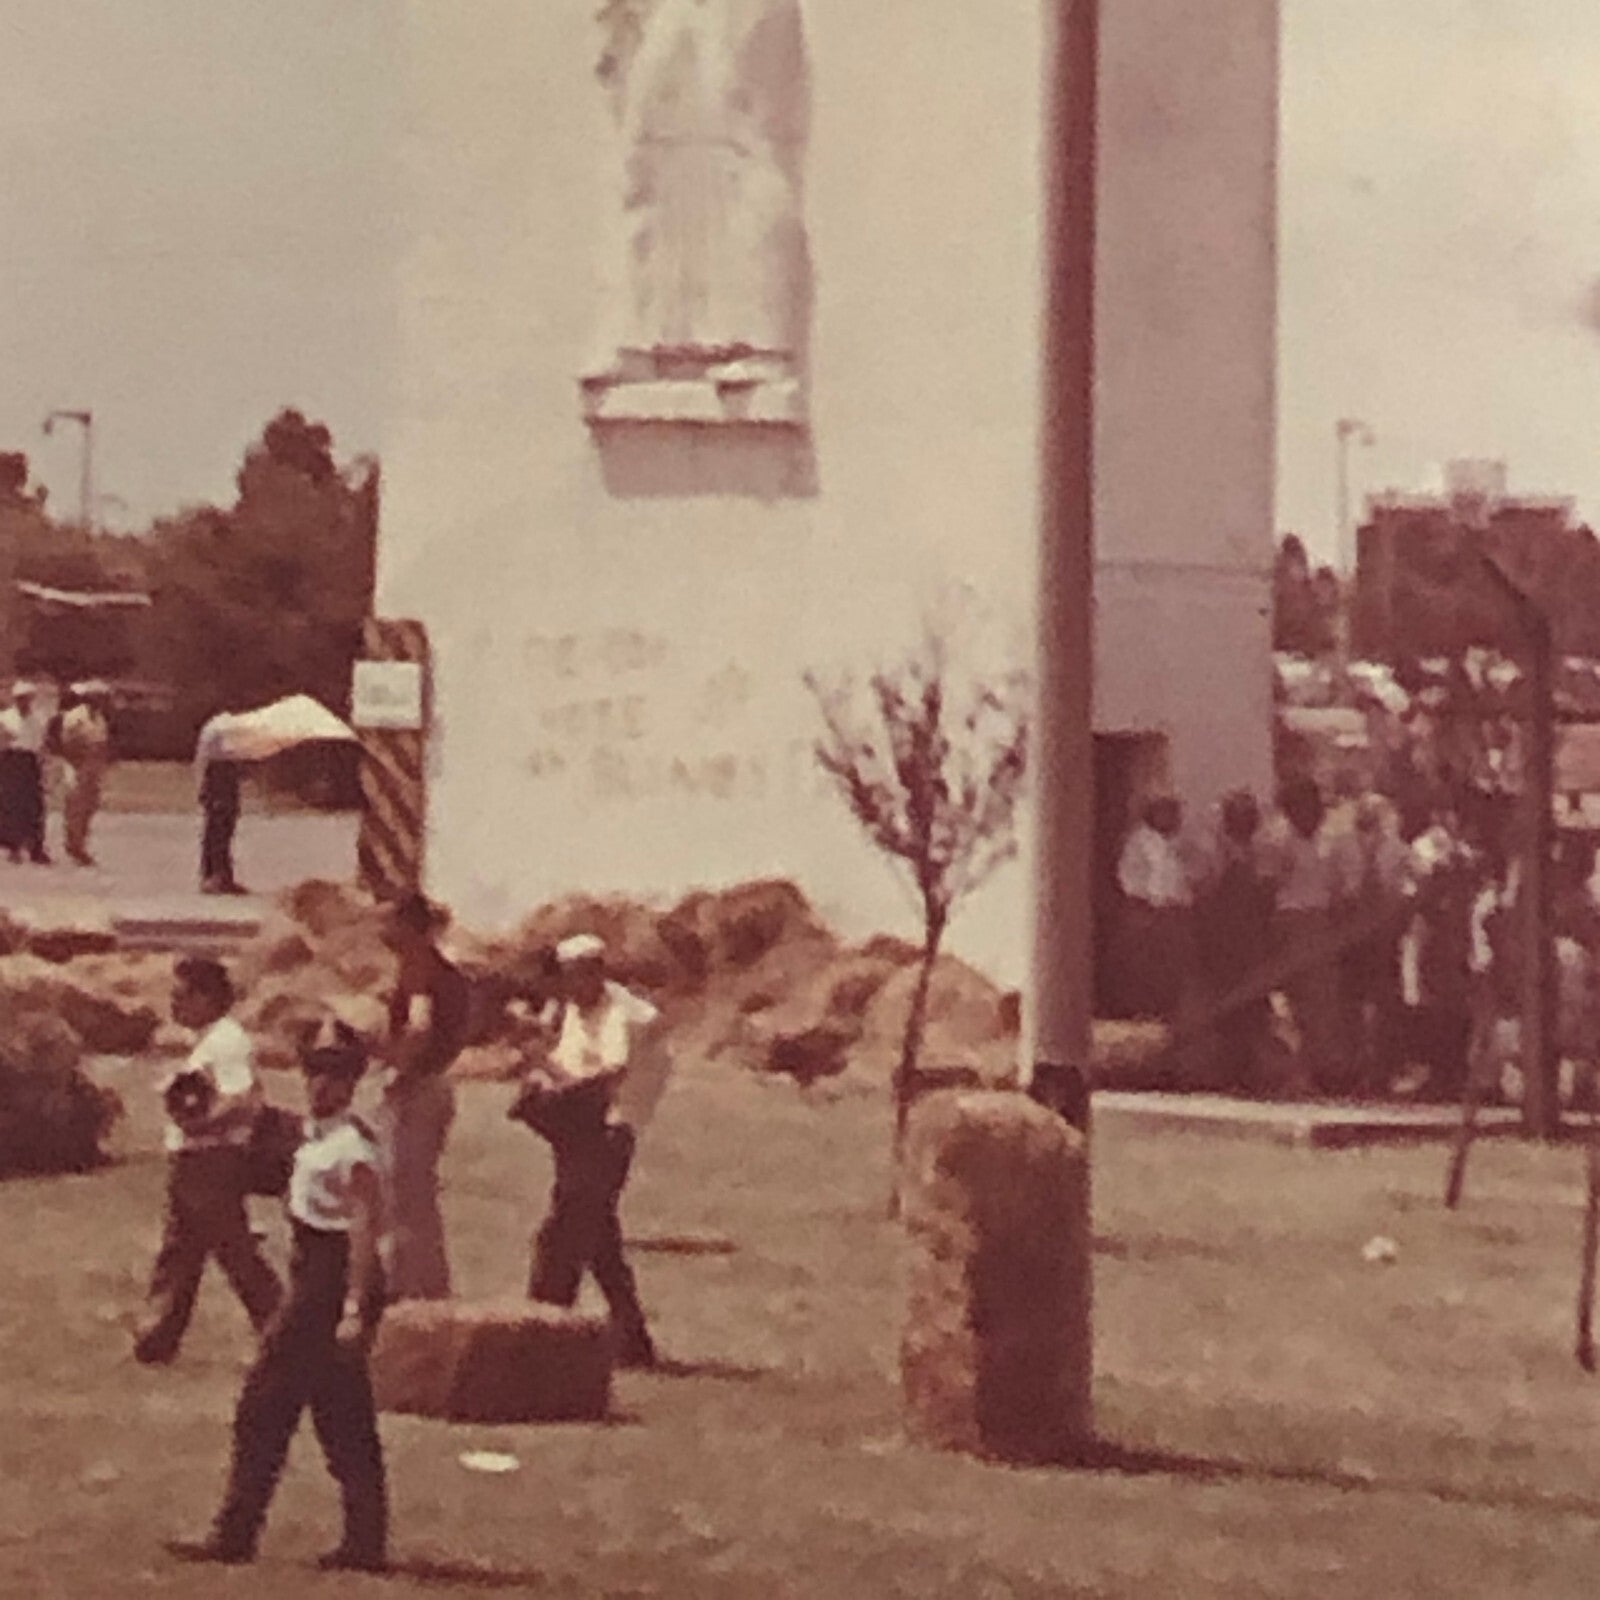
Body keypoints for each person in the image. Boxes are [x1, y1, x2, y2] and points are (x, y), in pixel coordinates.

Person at [167, 1019, 389, 1573]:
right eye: (315, 1069)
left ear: (353, 1080)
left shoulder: (350, 1145)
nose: (322, 1083)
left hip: (328, 1283)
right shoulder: (313, 1135)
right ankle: (364, 1540)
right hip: (311, 1272)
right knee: (342, 1415)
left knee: (263, 1405)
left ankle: (236, 1532)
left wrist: (357, 1307)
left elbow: (365, 1231)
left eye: (336, 1074)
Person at [524, 933, 668, 1368]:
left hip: (608, 1131)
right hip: (579, 1129)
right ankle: (632, 1341)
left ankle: (542, 1329)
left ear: (593, 973)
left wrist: (543, 1067)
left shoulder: (617, 1015)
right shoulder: (577, 1009)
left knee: (562, 1234)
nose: (567, 989)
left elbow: (610, 1072)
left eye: (572, 979)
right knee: (599, 1241)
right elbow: (572, 1063)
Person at [134, 957, 282, 1365]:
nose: (174, 1004)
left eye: (181, 996)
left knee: (234, 1253)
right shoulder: (208, 1040)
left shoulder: (227, 1040)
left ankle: (281, 1328)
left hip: (212, 1162)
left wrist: (199, 1125)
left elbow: (242, 1097)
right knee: (180, 1252)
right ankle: (156, 1339)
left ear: (207, 997)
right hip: (196, 1161)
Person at [377, 893, 470, 1301]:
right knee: (417, 1195)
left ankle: (412, 1289)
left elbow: (419, 1027)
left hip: (420, 1086)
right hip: (437, 1083)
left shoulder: (420, 970)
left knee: (405, 1195)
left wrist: (398, 1066)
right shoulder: (440, 970)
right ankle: (428, 1287)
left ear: (408, 926)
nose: (381, 932)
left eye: (387, 923)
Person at [1192, 790, 1276, 1094]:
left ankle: (1251, 1073)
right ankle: (1222, 1073)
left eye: (1249, 815)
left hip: (1252, 940)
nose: (1246, 822)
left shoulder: (1261, 851)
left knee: (1255, 1008)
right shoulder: (1212, 851)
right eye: (1239, 815)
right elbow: (1203, 894)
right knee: (1225, 1007)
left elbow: (1266, 895)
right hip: (1222, 940)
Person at [1267, 778, 1343, 1097]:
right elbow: (1269, 886)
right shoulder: (1277, 840)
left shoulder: (1328, 841)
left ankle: (1318, 1072)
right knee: (1291, 1003)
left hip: (1322, 922)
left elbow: (1336, 885)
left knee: (1322, 1003)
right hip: (1291, 921)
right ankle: (1293, 1074)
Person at [1332, 795, 1412, 1095]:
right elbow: (1332, 890)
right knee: (1350, 1004)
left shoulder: (1398, 851)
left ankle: (1382, 1069)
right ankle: (1350, 1068)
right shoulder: (1341, 848)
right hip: (1351, 934)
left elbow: (1411, 887)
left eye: (1375, 813)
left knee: (1385, 1003)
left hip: (1383, 935)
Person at [1114, 795, 1195, 1023]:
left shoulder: (1185, 841)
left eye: (1173, 812)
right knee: (1146, 962)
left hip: (1179, 910)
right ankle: (1145, 1008)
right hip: (1149, 908)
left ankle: (1171, 1007)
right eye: (1163, 812)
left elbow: (1197, 872)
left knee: (1175, 962)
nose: (1169, 817)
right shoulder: (1139, 841)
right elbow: (1129, 875)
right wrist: (1145, 901)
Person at [58, 683, 112, 866]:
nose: (103, 701)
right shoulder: (75, 716)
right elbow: (67, 742)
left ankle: (81, 843)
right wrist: (79, 761)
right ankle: (74, 844)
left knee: (90, 806)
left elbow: (102, 742)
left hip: (93, 767)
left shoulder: (99, 718)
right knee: (76, 807)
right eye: (99, 697)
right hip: (77, 764)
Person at [0, 682, 52, 864]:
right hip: (11, 761)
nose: (24, 702)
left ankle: (36, 848)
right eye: (20, 698)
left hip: (30, 762)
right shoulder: (5, 718)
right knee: (10, 805)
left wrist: (45, 765)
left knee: (34, 805)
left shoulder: (39, 718)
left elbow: (42, 744)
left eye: (28, 698)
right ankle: (13, 847)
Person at [195, 715, 246, 895]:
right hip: (219, 789)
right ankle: (214, 875)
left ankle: (221, 874)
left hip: (223, 788)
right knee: (217, 833)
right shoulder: (221, 731)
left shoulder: (218, 729)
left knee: (222, 832)